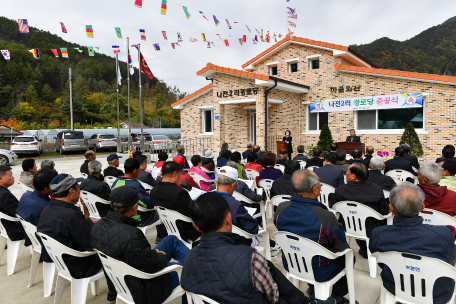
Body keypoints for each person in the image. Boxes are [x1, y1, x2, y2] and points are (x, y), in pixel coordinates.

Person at [182, 192, 336, 304]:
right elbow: (273, 297)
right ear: (229, 219)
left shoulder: (189, 257)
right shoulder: (250, 258)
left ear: (196, 226)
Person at [91, 186, 190, 304]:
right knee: (190, 269)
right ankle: (198, 268)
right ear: (134, 206)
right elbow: (153, 266)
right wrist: (160, 256)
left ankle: (196, 263)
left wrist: (152, 255)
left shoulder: (98, 225)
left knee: (171, 240)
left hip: (124, 278)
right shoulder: (131, 235)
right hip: (145, 288)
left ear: (112, 205)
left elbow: (139, 256)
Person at [274, 170, 353, 304]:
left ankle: (313, 289)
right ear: (315, 189)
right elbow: (341, 246)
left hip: (291, 263)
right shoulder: (325, 216)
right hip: (321, 270)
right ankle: (337, 297)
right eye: (319, 183)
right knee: (350, 254)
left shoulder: (281, 208)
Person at [370, 183, 456, 304]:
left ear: (391, 208)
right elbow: (450, 261)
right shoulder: (444, 234)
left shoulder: (379, 234)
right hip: (437, 292)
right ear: (422, 207)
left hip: (395, 285)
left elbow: (379, 260)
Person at [37, 173, 116, 301]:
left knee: (89, 222)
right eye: (78, 187)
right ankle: (114, 292)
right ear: (71, 191)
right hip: (81, 266)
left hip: (62, 262)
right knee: (116, 247)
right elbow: (91, 246)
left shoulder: (47, 209)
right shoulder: (71, 216)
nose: (80, 190)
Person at [331, 163, 389, 259]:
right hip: (372, 229)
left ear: (353, 176)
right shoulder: (376, 189)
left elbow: (335, 207)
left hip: (349, 226)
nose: (346, 174)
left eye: (348, 172)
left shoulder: (340, 190)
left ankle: (364, 248)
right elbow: (384, 211)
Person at [150, 161, 201, 245]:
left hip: (168, 230)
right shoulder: (179, 193)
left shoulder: (154, 191)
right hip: (185, 231)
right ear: (175, 174)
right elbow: (193, 214)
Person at [17, 169, 57, 256]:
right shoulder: (48, 207)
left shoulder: (26, 196)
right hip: (47, 245)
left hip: (32, 237)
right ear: (46, 188)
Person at [111, 158, 153, 224]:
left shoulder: (116, 182)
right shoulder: (135, 185)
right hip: (136, 219)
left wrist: (143, 193)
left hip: (118, 216)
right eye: (139, 169)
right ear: (135, 171)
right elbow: (148, 204)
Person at [0, 165, 25, 242]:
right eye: (10, 175)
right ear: (1, 178)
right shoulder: (4, 195)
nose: (13, 177)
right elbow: (18, 213)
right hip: (13, 228)